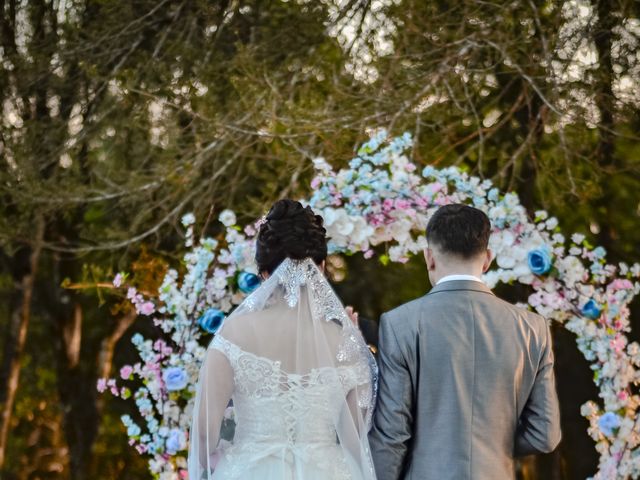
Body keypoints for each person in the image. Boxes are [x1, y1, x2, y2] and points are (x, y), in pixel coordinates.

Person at [369, 203, 561, 480]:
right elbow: (545, 435)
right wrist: (494, 444)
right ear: (487, 259)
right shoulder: (533, 328)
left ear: (429, 257)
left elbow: (391, 435)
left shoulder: (400, 324)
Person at [188, 199, 378, 480]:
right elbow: (355, 438)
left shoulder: (234, 334)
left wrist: (231, 456)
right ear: (322, 267)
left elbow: (204, 437)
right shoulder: (346, 342)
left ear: (264, 273)